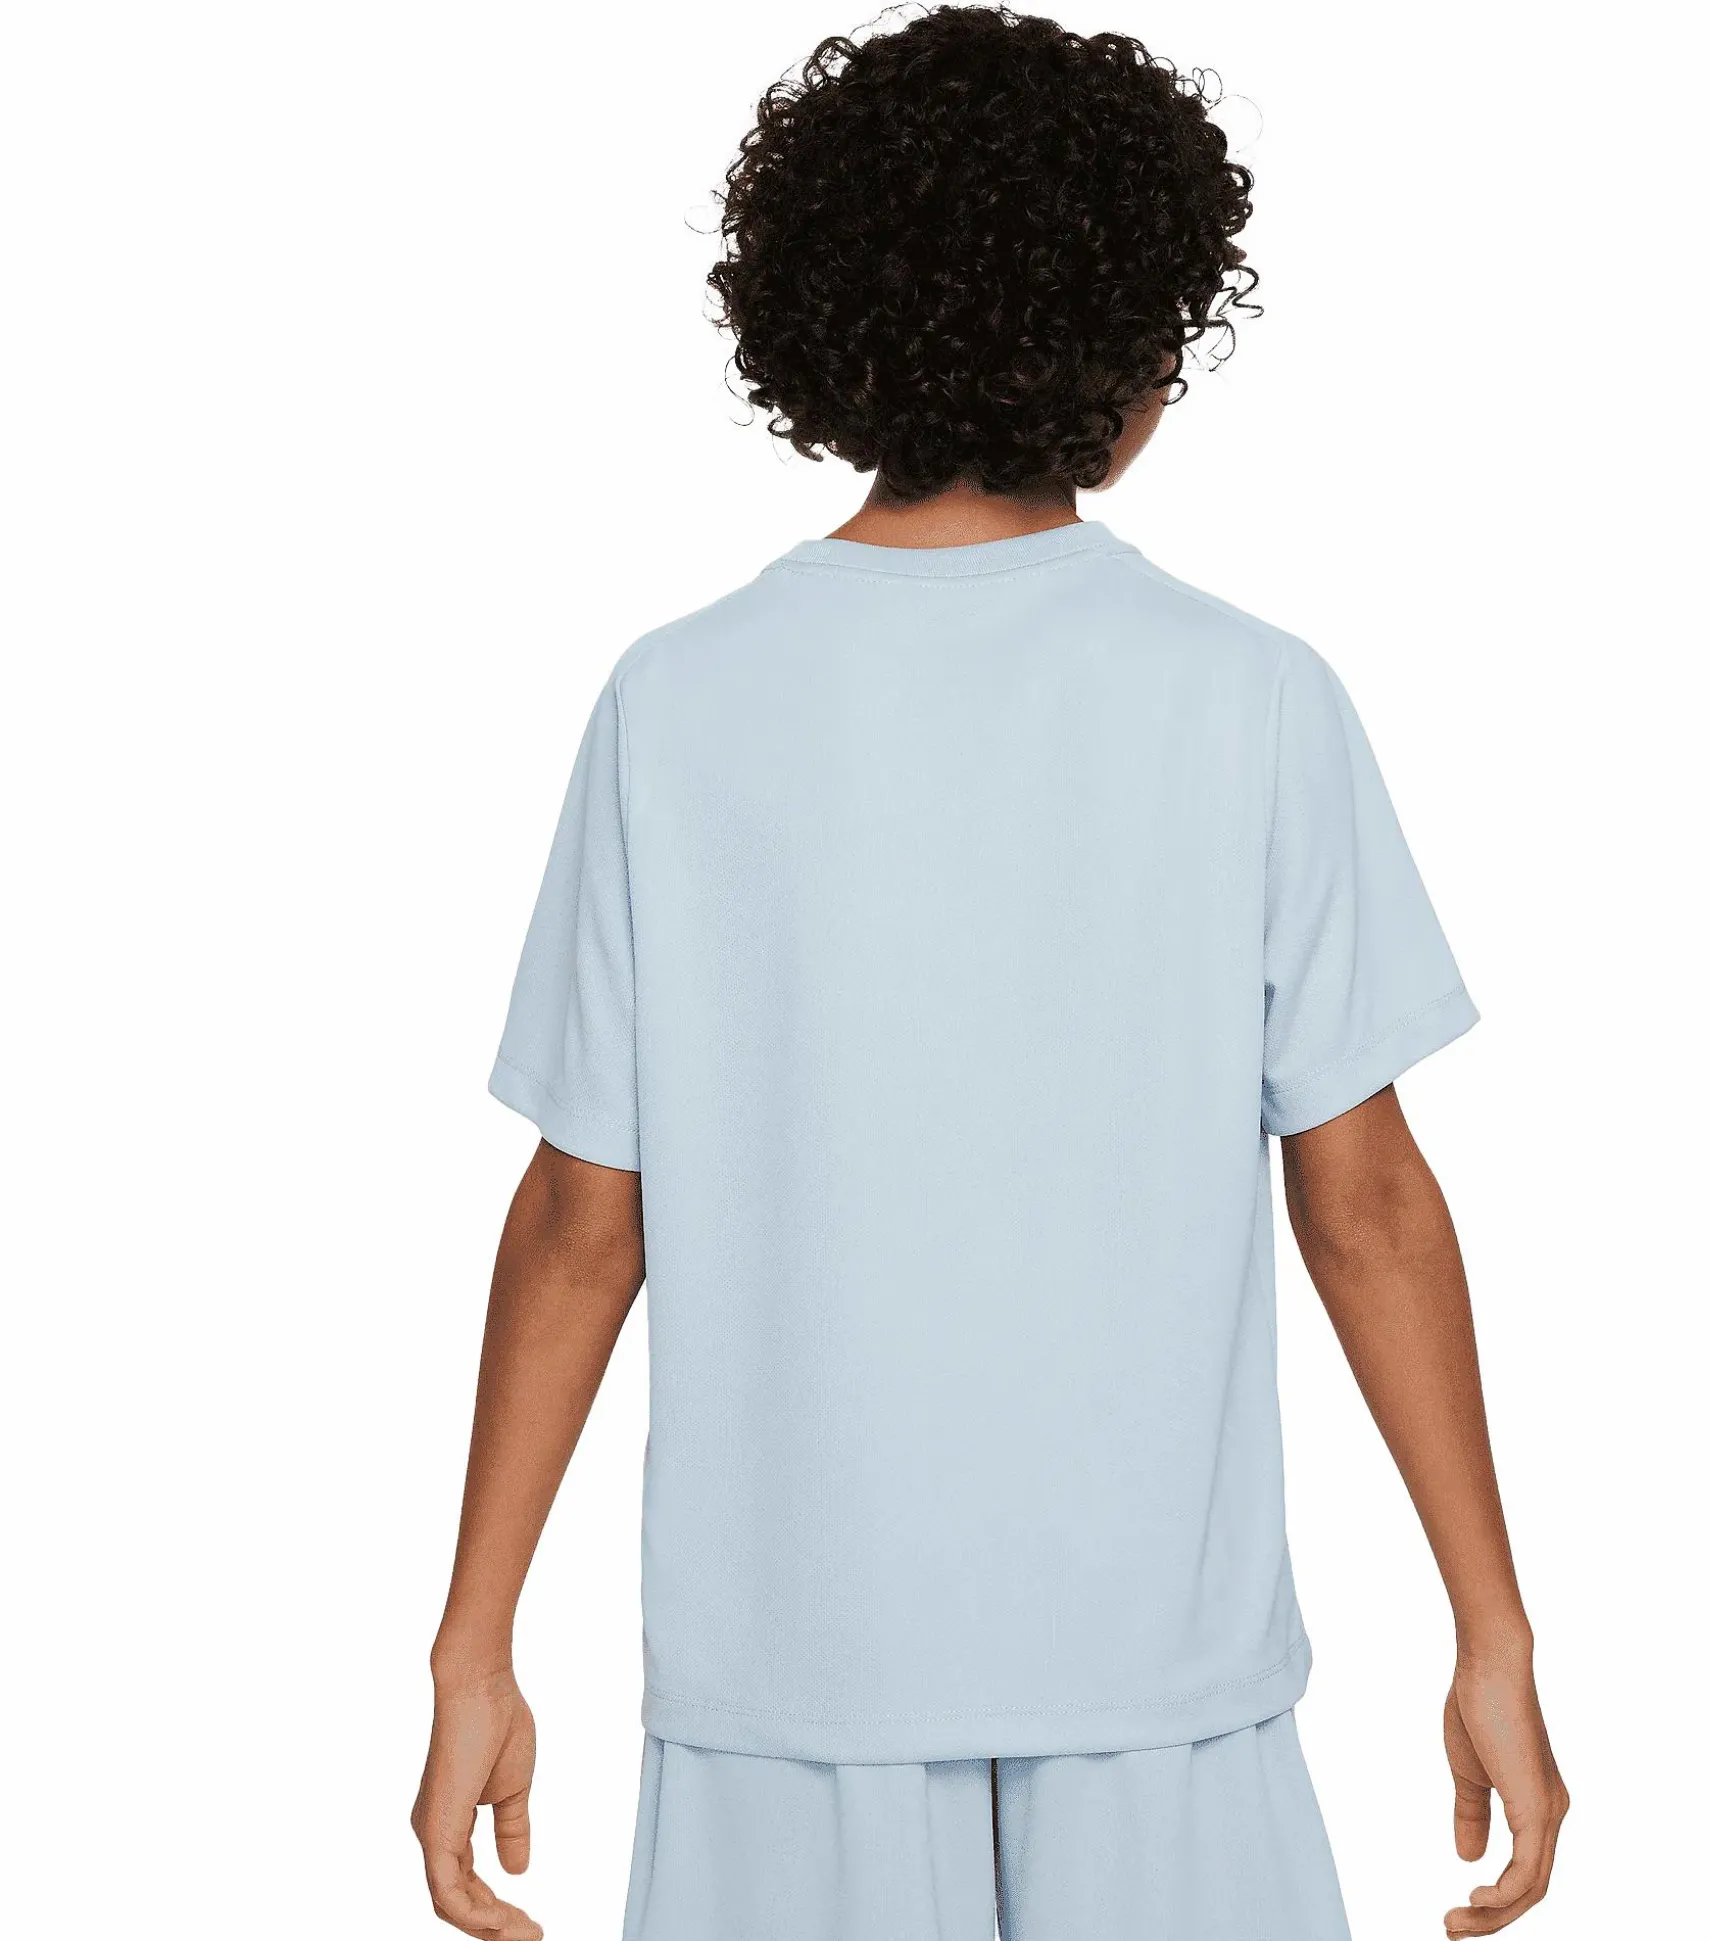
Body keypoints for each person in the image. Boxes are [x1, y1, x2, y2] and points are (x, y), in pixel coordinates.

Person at [411, 9, 1567, 1937]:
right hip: (1163, 1695)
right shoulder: (1252, 700)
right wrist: (1493, 1627)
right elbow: (1365, 1203)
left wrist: (473, 1642)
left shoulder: (678, 705)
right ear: (1137, 335)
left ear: (826, 326)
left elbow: (579, 1221)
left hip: (791, 1694)